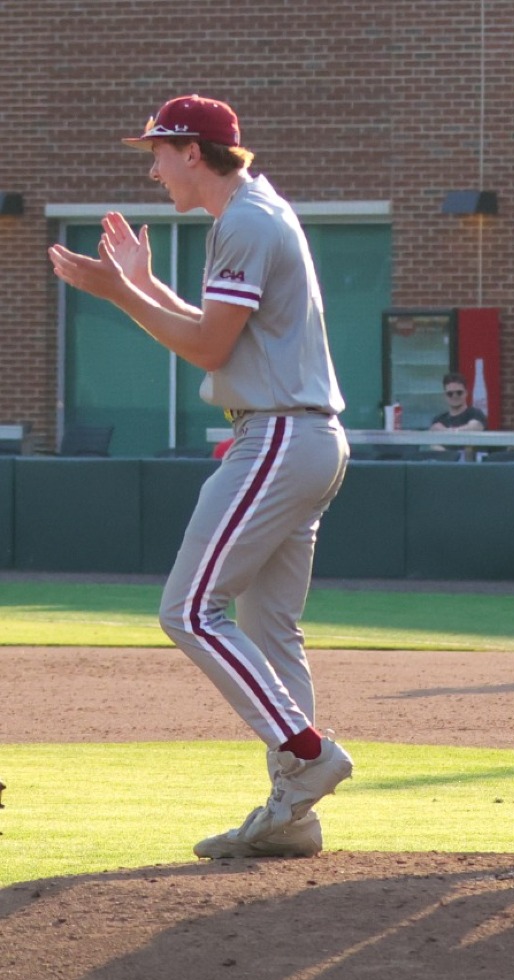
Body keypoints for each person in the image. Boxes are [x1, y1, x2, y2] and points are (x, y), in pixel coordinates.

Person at [47, 95, 352, 858]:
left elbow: (211, 351)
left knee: (188, 610)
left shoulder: (245, 219)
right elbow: (215, 331)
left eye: (157, 151)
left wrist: (119, 294)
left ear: (193, 150)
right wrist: (143, 287)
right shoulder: (254, 210)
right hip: (301, 432)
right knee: (268, 628)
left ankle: (308, 755)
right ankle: (293, 815)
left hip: (280, 433)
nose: (152, 168)